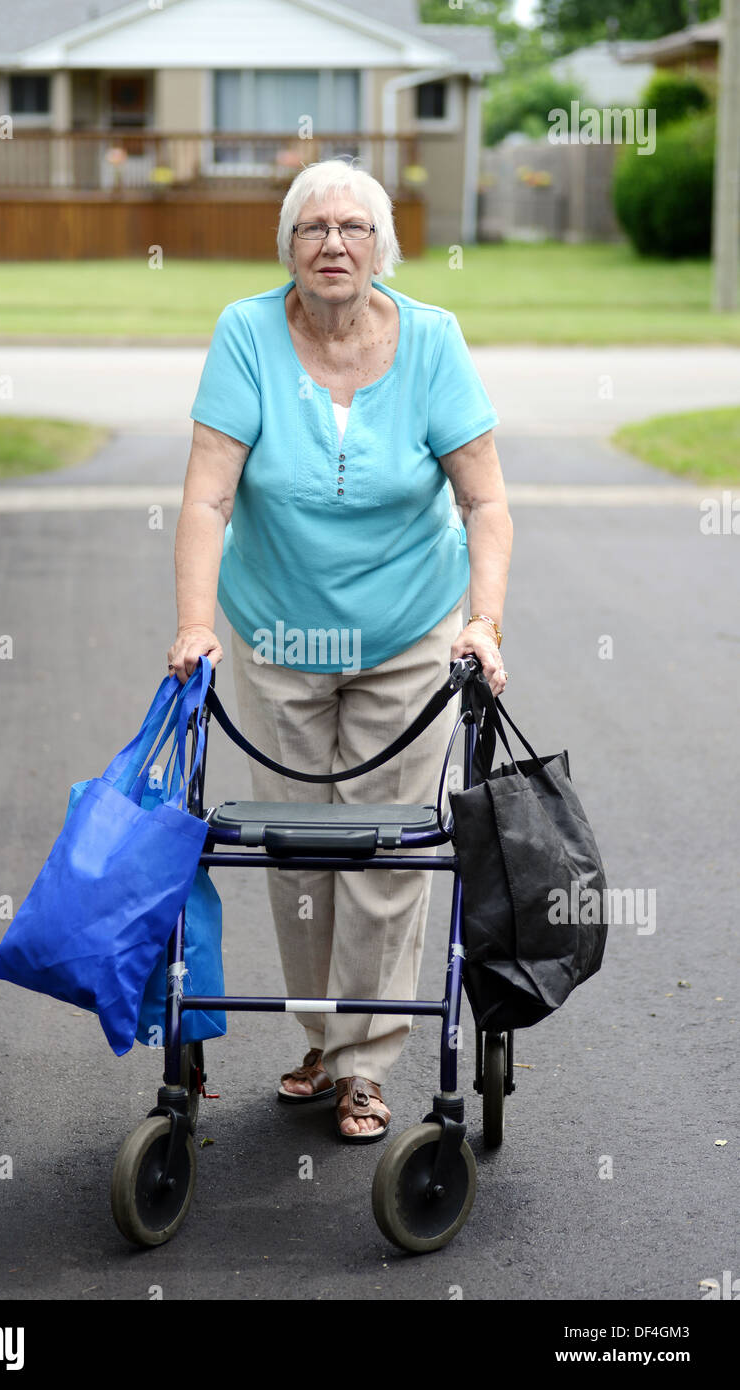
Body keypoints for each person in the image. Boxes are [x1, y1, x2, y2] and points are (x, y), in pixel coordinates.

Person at [166, 159, 512, 1142]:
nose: (332, 244)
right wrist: (196, 623)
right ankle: (321, 1038)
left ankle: (364, 1063)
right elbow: (206, 496)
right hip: (276, 634)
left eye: (354, 227)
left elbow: (485, 502)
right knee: (294, 851)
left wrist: (482, 622)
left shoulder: (433, 342)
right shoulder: (245, 334)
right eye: (313, 227)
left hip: (405, 637)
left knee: (382, 854)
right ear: (288, 246)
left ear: (382, 247)